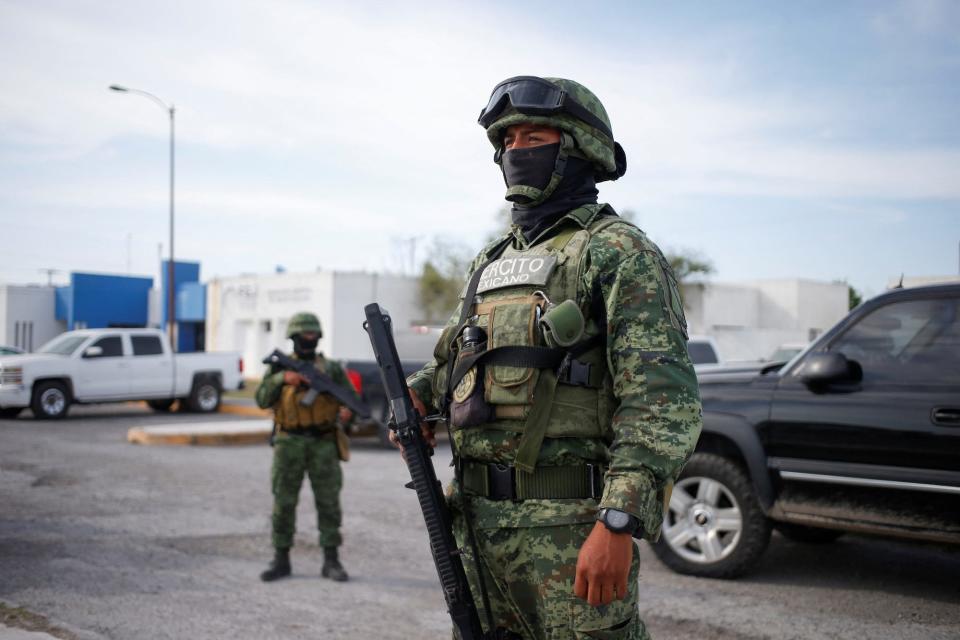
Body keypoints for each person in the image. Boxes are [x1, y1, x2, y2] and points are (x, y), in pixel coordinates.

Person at [402, 76, 703, 639]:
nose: (516, 151)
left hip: (570, 532)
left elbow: (661, 401)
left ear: (578, 149)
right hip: (477, 529)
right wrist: (417, 396)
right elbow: (456, 359)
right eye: (508, 141)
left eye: (533, 136)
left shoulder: (617, 250)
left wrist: (618, 521)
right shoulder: (488, 262)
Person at [256, 311, 354, 583]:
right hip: (289, 442)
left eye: (313, 334)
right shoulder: (279, 369)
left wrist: (348, 414)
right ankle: (281, 559)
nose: (309, 339)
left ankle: (331, 561)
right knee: (283, 501)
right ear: (294, 337)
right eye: (304, 335)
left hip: (323, 441)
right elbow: (262, 399)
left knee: (329, 503)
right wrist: (282, 380)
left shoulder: (332, 369)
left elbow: (350, 399)